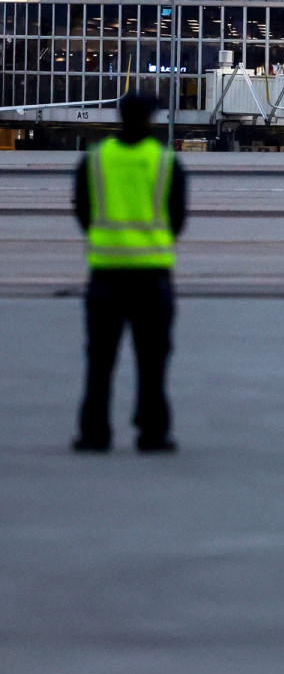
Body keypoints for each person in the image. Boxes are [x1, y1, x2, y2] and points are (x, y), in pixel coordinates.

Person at [71, 91, 188, 453]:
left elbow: (83, 212)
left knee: (100, 360)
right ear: (153, 116)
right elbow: (178, 217)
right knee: (152, 362)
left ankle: (94, 433)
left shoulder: (94, 160)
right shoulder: (166, 162)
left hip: (105, 274)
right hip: (152, 276)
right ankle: (152, 433)